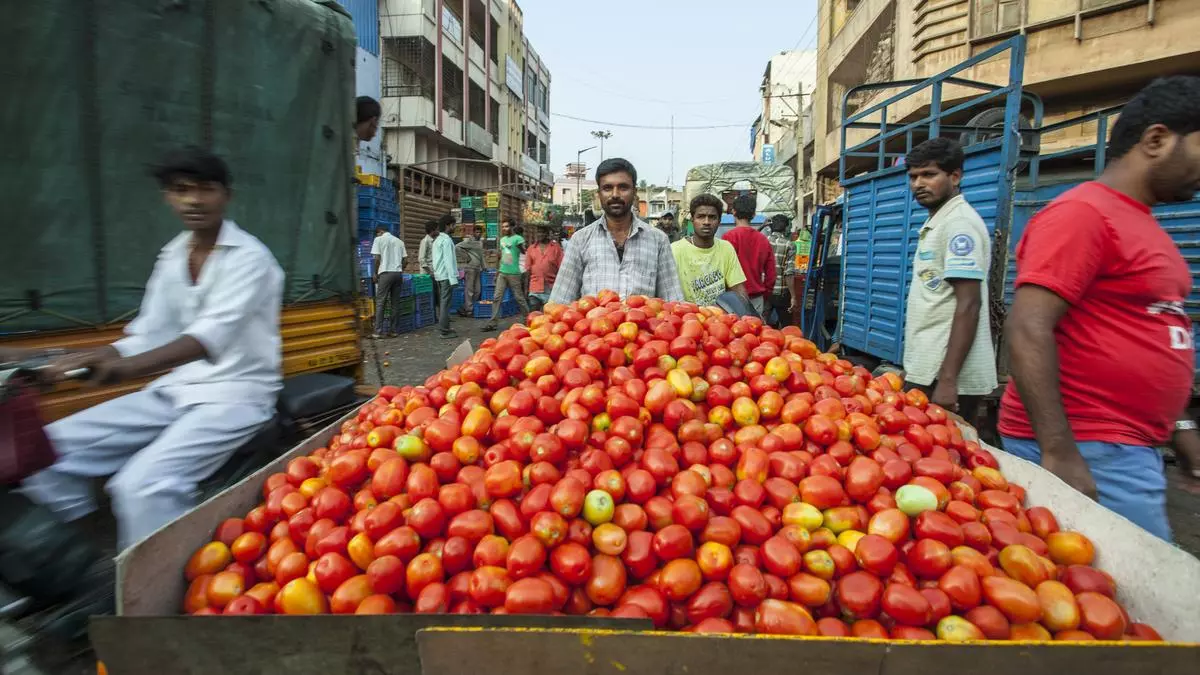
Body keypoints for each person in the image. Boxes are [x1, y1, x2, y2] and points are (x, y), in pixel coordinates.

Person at [21, 148, 283, 551]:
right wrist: (73, 361)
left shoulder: (251, 259)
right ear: (168, 196)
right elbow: (148, 333)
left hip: (237, 394)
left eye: (206, 189)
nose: (194, 200)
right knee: (45, 451)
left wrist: (124, 369)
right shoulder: (173, 254)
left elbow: (208, 337)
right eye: (182, 190)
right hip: (177, 390)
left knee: (141, 485)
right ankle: (82, 564)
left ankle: (153, 598)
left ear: (226, 195)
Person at [1000, 76, 1200, 540]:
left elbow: (1157, 325)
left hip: (1126, 444)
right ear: (1156, 139)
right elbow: (1029, 326)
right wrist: (1059, 450)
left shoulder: (1140, 222)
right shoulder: (1085, 214)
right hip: (1092, 445)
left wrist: (1181, 423)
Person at [901, 137, 996, 423]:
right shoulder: (940, 221)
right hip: (929, 368)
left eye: (929, 175)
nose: (918, 184)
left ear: (955, 176)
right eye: (913, 176)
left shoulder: (958, 225)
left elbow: (969, 304)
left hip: (945, 376)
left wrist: (948, 380)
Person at [550, 158, 684, 304]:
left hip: (642, 325)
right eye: (607, 188)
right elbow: (559, 303)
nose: (615, 194)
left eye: (623, 187)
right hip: (594, 325)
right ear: (599, 194)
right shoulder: (580, 240)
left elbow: (673, 302)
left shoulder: (658, 240)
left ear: (634, 193)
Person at [671, 194, 747, 306]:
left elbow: (738, 289)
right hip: (686, 319)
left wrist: (747, 314)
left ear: (719, 221)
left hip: (719, 320)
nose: (706, 222)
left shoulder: (726, 248)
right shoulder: (674, 250)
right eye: (701, 216)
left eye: (712, 217)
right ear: (692, 220)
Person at [721, 194, 775, 316]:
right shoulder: (763, 240)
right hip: (757, 298)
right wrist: (766, 294)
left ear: (733, 212)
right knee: (754, 333)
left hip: (732, 299)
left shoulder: (728, 238)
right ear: (753, 214)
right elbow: (771, 274)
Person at [482, 220, 531, 331]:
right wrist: (497, 272)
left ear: (512, 227)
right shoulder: (503, 240)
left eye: (507, 226)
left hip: (514, 273)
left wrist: (521, 247)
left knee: (519, 298)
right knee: (496, 297)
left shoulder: (518, 239)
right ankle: (492, 323)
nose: (504, 228)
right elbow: (502, 256)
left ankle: (528, 318)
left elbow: (524, 253)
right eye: (503, 227)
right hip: (502, 272)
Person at [370, 225, 408, 338]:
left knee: (381, 302)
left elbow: (376, 258)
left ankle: (378, 331)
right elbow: (405, 260)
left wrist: (375, 273)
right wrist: (400, 269)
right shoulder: (399, 241)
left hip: (385, 273)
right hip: (397, 274)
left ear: (380, 232)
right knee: (395, 303)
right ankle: (394, 330)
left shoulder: (379, 239)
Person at [766, 214, 797, 328]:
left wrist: (762, 226)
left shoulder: (762, 240)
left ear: (771, 226)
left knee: (762, 325)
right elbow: (788, 273)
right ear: (786, 228)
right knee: (786, 327)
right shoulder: (789, 245)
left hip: (764, 292)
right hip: (781, 293)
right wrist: (793, 296)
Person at [431, 219, 459, 338]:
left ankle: (445, 327)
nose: (454, 227)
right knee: (445, 304)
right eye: (453, 225)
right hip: (446, 275)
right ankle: (444, 330)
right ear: (448, 225)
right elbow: (448, 260)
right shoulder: (446, 240)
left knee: (443, 302)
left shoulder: (437, 240)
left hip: (439, 275)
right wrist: (453, 279)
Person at [527, 227, 564, 306]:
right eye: (538, 232)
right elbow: (528, 269)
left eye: (542, 232)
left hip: (551, 288)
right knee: (534, 313)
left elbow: (561, 269)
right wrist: (526, 289)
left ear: (547, 234)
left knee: (548, 314)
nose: (540, 234)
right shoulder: (531, 248)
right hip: (535, 287)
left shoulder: (555, 248)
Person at [455, 226, 485, 316]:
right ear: (473, 233)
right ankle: (469, 310)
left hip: (477, 268)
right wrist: (466, 257)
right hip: (470, 268)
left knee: (478, 290)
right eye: (476, 232)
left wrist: (484, 266)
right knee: (470, 290)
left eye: (480, 232)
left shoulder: (480, 243)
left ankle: (466, 307)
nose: (478, 234)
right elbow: (457, 247)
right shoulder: (469, 241)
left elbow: (481, 256)